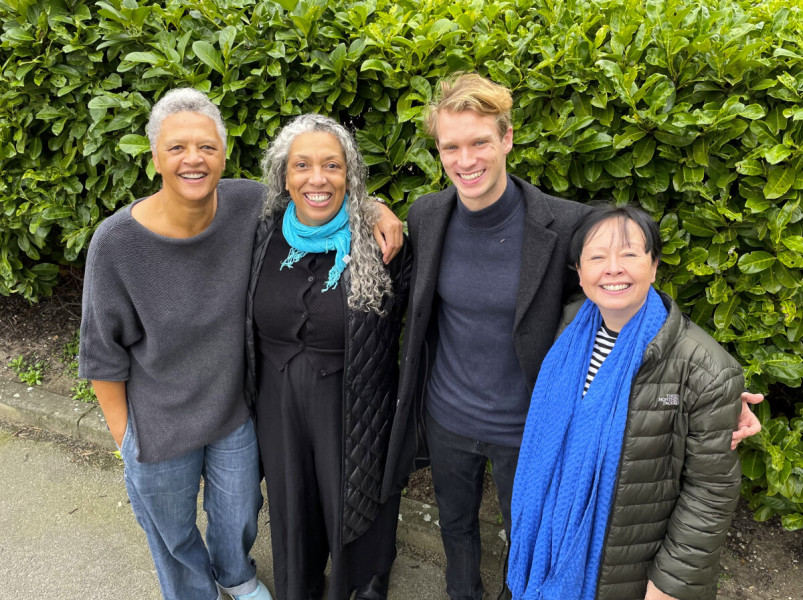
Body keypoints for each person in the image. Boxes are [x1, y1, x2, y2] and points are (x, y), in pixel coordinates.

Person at [380, 72, 763, 600]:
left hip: (531, 425)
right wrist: (375, 208)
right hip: (447, 416)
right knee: (456, 528)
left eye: (479, 143)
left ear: (507, 138)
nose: (465, 160)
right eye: (451, 146)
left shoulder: (564, 224)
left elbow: (628, 298)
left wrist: (715, 396)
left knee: (531, 538)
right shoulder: (427, 214)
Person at [78, 89, 403, 600]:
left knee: (237, 518)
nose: (193, 160)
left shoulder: (247, 204)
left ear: (224, 154)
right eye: (177, 148)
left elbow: (320, 189)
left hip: (233, 413)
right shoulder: (116, 243)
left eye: (206, 147)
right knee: (173, 534)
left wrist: (376, 210)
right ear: (154, 157)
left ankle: (235, 575)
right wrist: (127, 443)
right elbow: (101, 355)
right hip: (159, 425)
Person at [508, 204, 742, 600]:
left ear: (654, 266)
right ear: (580, 273)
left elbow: (710, 490)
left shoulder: (705, 368)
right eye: (597, 257)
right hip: (546, 548)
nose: (612, 268)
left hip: (631, 574)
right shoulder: (566, 329)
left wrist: (669, 584)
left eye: (630, 254)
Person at [244, 113, 411, 600]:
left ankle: (360, 587)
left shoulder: (382, 242)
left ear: (350, 176)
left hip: (351, 397)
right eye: (302, 165)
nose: (317, 179)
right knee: (291, 502)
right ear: (284, 176)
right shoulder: (261, 232)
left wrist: (376, 207)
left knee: (352, 501)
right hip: (276, 401)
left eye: (332, 166)